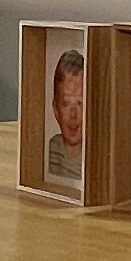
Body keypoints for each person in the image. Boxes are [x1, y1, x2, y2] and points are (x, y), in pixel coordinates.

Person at [43, 48, 87, 189]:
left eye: (80, 103)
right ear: (56, 109)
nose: (73, 115)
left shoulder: (95, 155)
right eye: (66, 104)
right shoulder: (52, 148)